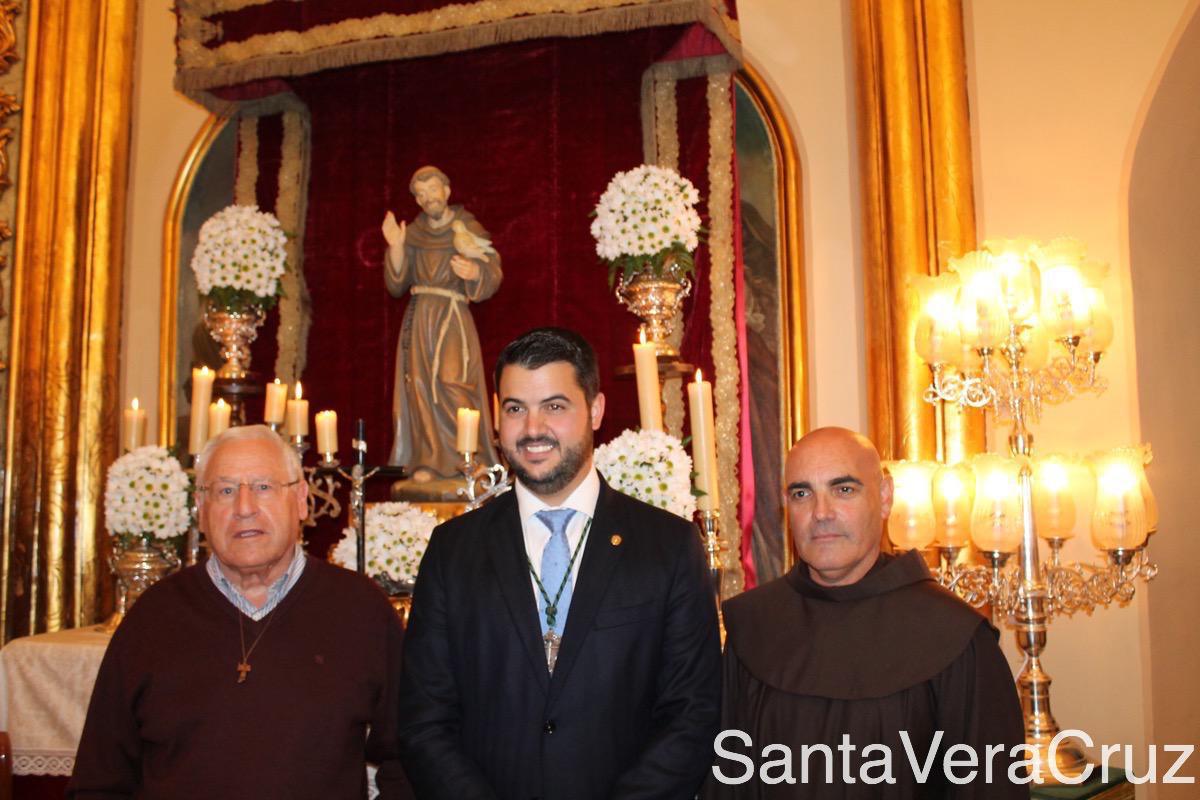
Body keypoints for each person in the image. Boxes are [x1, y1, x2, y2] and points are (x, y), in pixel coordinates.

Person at [397, 327, 722, 799]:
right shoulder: (452, 552)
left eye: (554, 406)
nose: (532, 429)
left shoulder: (668, 546)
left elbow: (693, 713)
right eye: (515, 408)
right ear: (495, 415)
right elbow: (424, 722)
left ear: (595, 410)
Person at [69, 425, 411, 799]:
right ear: (200, 510)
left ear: (300, 500)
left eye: (263, 487)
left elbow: (410, 759)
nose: (244, 508)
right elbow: (99, 781)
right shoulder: (153, 617)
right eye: (226, 491)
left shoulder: (359, 609)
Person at [705, 427, 1026, 798]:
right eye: (802, 493)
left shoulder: (954, 635)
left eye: (844, 490)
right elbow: (725, 782)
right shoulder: (754, 627)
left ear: (885, 496)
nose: (820, 513)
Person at [381, 165, 501, 481]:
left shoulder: (466, 225)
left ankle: (469, 458)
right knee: (419, 386)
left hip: (452, 315)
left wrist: (475, 273)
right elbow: (396, 284)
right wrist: (395, 247)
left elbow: (491, 269)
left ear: (446, 191)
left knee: (453, 382)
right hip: (420, 315)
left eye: (433, 190)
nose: (428, 198)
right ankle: (428, 461)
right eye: (421, 194)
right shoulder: (415, 234)